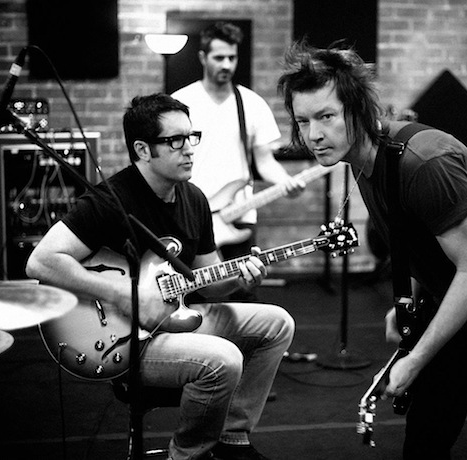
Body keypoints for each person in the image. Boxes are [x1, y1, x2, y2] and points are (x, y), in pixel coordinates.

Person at [278, 42, 467, 459]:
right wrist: (413, 298)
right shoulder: (363, 162)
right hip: (460, 295)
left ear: (359, 109)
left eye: (326, 116)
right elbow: (419, 238)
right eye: (303, 120)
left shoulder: (424, 162)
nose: (313, 134)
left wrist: (417, 358)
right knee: (427, 432)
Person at [25, 93, 294, 460]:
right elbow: (41, 262)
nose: (190, 149)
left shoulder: (194, 199)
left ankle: (232, 439)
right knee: (224, 359)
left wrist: (240, 278)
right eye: (175, 141)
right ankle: (185, 455)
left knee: (277, 323)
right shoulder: (111, 200)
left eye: (192, 136)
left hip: (176, 319)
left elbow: (208, 282)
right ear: (143, 149)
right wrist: (123, 293)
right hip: (126, 340)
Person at [172, 22, 304, 300]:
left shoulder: (251, 103)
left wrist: (286, 182)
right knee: (192, 295)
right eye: (219, 57)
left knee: (243, 291)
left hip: (238, 214)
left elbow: (264, 161)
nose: (226, 64)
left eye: (232, 57)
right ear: (202, 57)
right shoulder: (181, 102)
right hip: (192, 214)